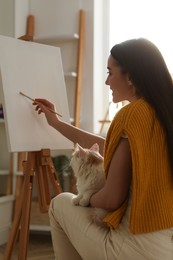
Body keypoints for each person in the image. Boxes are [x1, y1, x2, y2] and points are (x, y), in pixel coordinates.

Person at [33, 38, 173, 260]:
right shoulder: (163, 113)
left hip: (134, 248)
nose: (107, 82)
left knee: (59, 203)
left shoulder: (130, 115)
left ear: (131, 77)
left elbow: (111, 199)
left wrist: (87, 196)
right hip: (167, 246)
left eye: (110, 72)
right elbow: (111, 147)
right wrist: (57, 124)